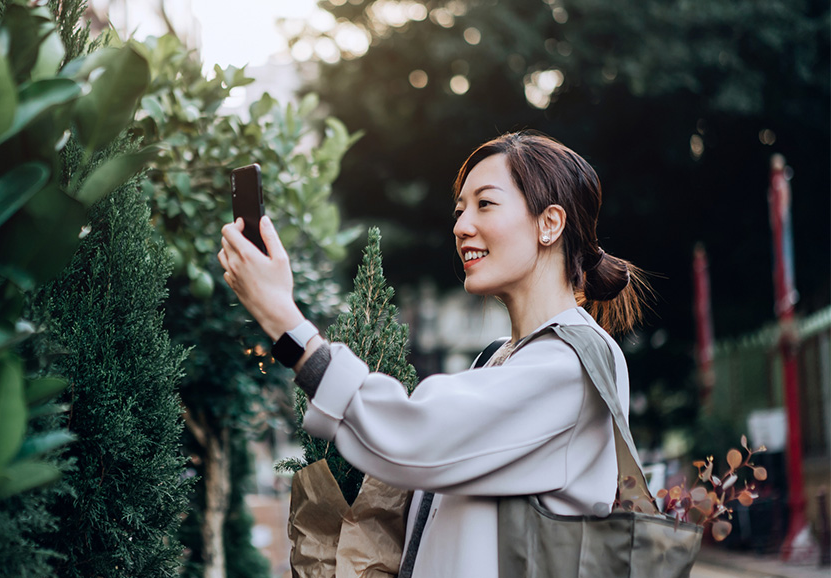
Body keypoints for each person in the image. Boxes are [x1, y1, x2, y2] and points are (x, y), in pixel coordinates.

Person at [218, 131, 648, 578]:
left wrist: (284, 321)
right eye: (460, 210)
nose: (461, 226)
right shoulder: (501, 359)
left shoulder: (573, 364)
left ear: (549, 224)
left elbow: (412, 435)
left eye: (485, 204)